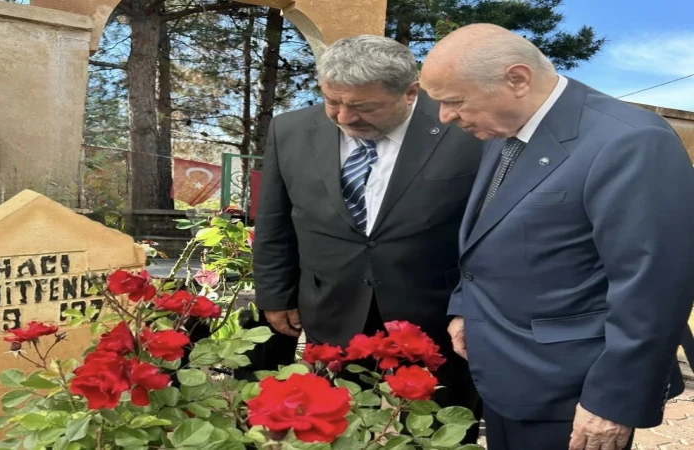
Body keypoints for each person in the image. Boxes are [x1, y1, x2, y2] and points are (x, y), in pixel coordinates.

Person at [419, 23, 694, 450]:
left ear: (517, 79)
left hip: (574, 391)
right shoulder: (504, 132)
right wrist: (464, 308)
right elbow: (488, 235)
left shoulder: (630, 141)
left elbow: (654, 288)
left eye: (454, 101)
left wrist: (613, 401)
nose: (444, 116)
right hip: (504, 373)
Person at [252, 35, 484, 441]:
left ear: (410, 92)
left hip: (435, 316)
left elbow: (486, 230)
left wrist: (473, 306)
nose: (344, 116)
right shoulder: (289, 130)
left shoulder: (464, 129)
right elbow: (275, 220)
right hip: (331, 309)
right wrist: (275, 294)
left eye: (364, 106)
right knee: (332, 431)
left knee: (436, 431)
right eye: (332, 101)